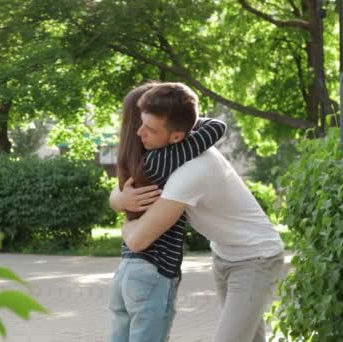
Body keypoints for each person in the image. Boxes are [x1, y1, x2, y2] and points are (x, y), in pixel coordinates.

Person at [111, 84, 284, 342]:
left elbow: (137, 240)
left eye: (150, 129)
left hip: (256, 258)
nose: (139, 133)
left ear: (177, 136)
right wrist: (119, 198)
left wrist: (124, 222)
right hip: (224, 256)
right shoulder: (179, 147)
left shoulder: (189, 172)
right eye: (141, 122)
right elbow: (202, 123)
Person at [110, 81, 227, 342]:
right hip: (154, 271)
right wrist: (178, 118)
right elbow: (217, 127)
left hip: (125, 272)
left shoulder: (133, 164)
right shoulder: (165, 159)